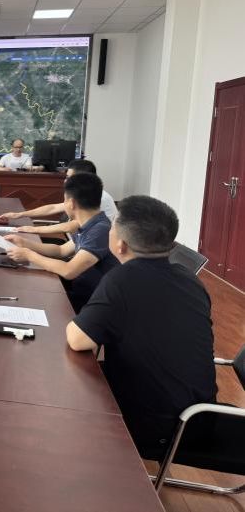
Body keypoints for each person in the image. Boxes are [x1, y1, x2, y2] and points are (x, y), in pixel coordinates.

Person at [66, 196, 216, 459]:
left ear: (120, 245)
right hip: (200, 417)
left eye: (112, 226)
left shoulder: (122, 280)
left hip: (159, 426)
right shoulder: (189, 279)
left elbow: (78, 340)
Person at [4, 172, 119, 312]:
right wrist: (25, 243)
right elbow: (61, 250)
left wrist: (29, 255)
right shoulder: (90, 223)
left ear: (71, 203)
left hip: (92, 302)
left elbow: (69, 270)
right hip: (81, 290)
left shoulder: (99, 230)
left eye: (64, 200)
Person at [0, 159, 118, 235]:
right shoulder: (84, 192)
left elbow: (72, 226)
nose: (65, 181)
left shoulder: (99, 197)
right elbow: (53, 208)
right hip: (74, 243)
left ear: (82, 178)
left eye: (69, 177)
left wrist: (35, 229)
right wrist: (19, 214)